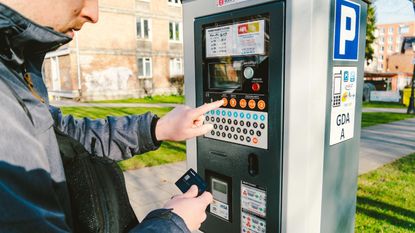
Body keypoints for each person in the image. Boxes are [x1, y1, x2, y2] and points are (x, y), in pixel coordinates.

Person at [0, 0, 223, 232]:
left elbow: (64, 139)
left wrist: (158, 128)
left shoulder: (13, 67)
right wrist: (173, 225)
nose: (94, 14)